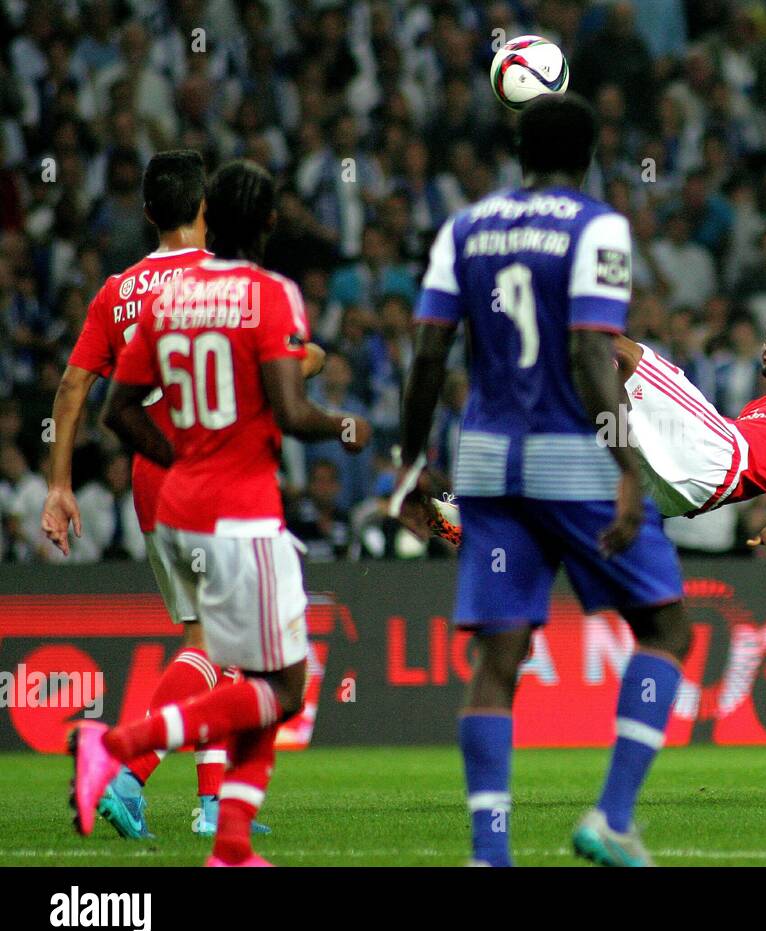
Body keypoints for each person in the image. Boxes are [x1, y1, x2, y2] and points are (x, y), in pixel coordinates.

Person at [394, 95, 690, 867]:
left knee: (499, 655)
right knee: (664, 627)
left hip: (487, 463)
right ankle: (613, 818)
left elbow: (428, 352)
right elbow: (593, 356)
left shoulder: (465, 226)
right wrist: (628, 466)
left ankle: (489, 852)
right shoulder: (597, 225)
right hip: (574, 462)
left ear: (517, 147)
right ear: (591, 152)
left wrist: (406, 462)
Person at [69, 159, 371, 867]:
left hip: (177, 499)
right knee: (270, 677)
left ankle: (223, 827)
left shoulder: (165, 297)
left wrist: (180, 460)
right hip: (240, 511)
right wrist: (340, 425)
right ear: (265, 223)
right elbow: (292, 412)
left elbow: (115, 408)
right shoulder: (268, 294)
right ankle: (120, 754)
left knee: (241, 662)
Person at [611, 307, 766, 571]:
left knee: (632, 354)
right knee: (606, 397)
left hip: (721, 459)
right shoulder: (759, 407)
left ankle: (572, 302)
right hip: (684, 498)